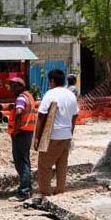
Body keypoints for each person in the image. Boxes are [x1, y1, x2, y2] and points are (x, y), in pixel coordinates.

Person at [33, 69, 79, 197]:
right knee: (61, 165)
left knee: (44, 165)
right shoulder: (71, 95)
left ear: (52, 81)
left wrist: (37, 137)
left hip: (53, 135)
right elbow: (75, 115)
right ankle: (60, 191)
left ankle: (45, 193)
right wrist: (71, 131)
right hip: (66, 135)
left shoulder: (50, 94)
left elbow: (41, 116)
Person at [7, 77, 36, 200]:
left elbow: (19, 112)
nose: (11, 89)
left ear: (20, 86)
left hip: (21, 133)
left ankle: (24, 191)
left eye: (14, 86)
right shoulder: (29, 96)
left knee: (20, 162)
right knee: (25, 160)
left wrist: (16, 129)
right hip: (28, 132)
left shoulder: (21, 98)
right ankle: (27, 187)